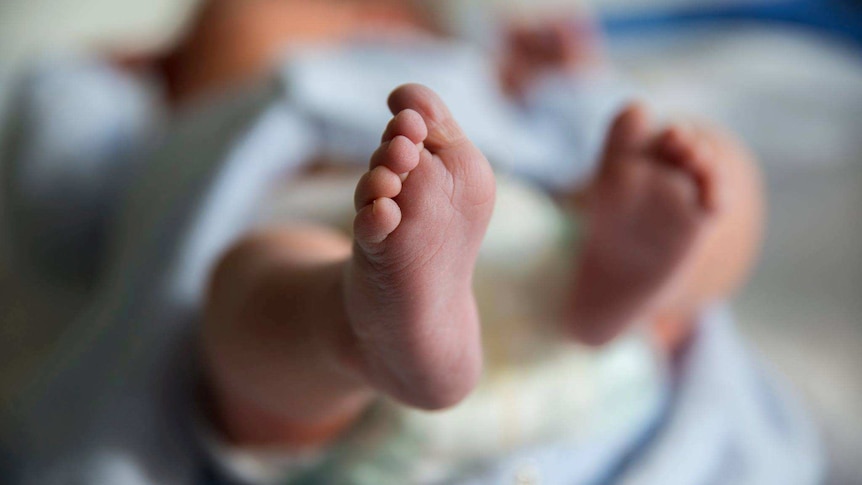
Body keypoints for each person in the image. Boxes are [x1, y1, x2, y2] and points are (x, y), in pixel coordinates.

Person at [1, 0, 822, 483]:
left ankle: (617, 277)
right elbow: (62, 197)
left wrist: (571, 87)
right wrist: (103, 78)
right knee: (250, 296)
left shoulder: (494, 84)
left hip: (542, 250)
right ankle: (368, 330)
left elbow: (61, 198)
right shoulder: (189, 116)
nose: (351, 27)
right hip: (336, 246)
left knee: (700, 173)